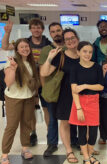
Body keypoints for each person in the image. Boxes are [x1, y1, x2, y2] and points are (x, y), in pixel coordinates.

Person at [2, 18, 51, 146]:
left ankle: (49, 133)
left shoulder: (47, 43)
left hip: (43, 80)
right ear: (30, 29)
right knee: (33, 108)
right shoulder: (25, 42)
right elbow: (5, 46)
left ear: (42, 29)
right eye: (33, 27)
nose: (36, 29)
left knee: (46, 108)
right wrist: (7, 33)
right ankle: (32, 132)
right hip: (28, 81)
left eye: (38, 27)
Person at [40, 28, 80, 164]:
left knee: (81, 122)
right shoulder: (60, 56)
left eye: (72, 37)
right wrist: (50, 58)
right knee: (65, 122)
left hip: (81, 95)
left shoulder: (84, 54)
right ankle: (69, 150)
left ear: (77, 39)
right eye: (67, 39)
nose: (70, 41)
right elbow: (44, 73)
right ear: (64, 41)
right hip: (65, 95)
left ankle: (83, 145)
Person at [1, 39, 39, 164]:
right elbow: (8, 82)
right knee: (11, 126)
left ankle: (25, 148)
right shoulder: (11, 62)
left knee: (26, 124)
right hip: (13, 98)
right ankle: (5, 155)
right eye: (22, 47)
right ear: (17, 50)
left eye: (27, 46)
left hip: (28, 97)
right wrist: (13, 69)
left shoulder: (31, 63)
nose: (25, 49)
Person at [69, 41, 104, 164]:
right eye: (84, 51)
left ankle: (90, 154)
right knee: (82, 130)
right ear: (78, 52)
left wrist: (84, 85)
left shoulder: (96, 67)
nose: (87, 54)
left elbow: (100, 86)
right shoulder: (74, 68)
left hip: (94, 101)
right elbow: (74, 89)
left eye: (90, 52)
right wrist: (78, 108)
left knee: (94, 131)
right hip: (80, 103)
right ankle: (86, 157)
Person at [38, 22, 64, 157]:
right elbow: (42, 71)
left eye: (58, 30)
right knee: (53, 119)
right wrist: (44, 90)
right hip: (51, 90)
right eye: (53, 31)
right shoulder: (46, 50)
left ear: (62, 31)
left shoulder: (69, 48)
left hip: (66, 90)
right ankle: (52, 144)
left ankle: (74, 141)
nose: (56, 33)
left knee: (69, 119)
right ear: (50, 34)